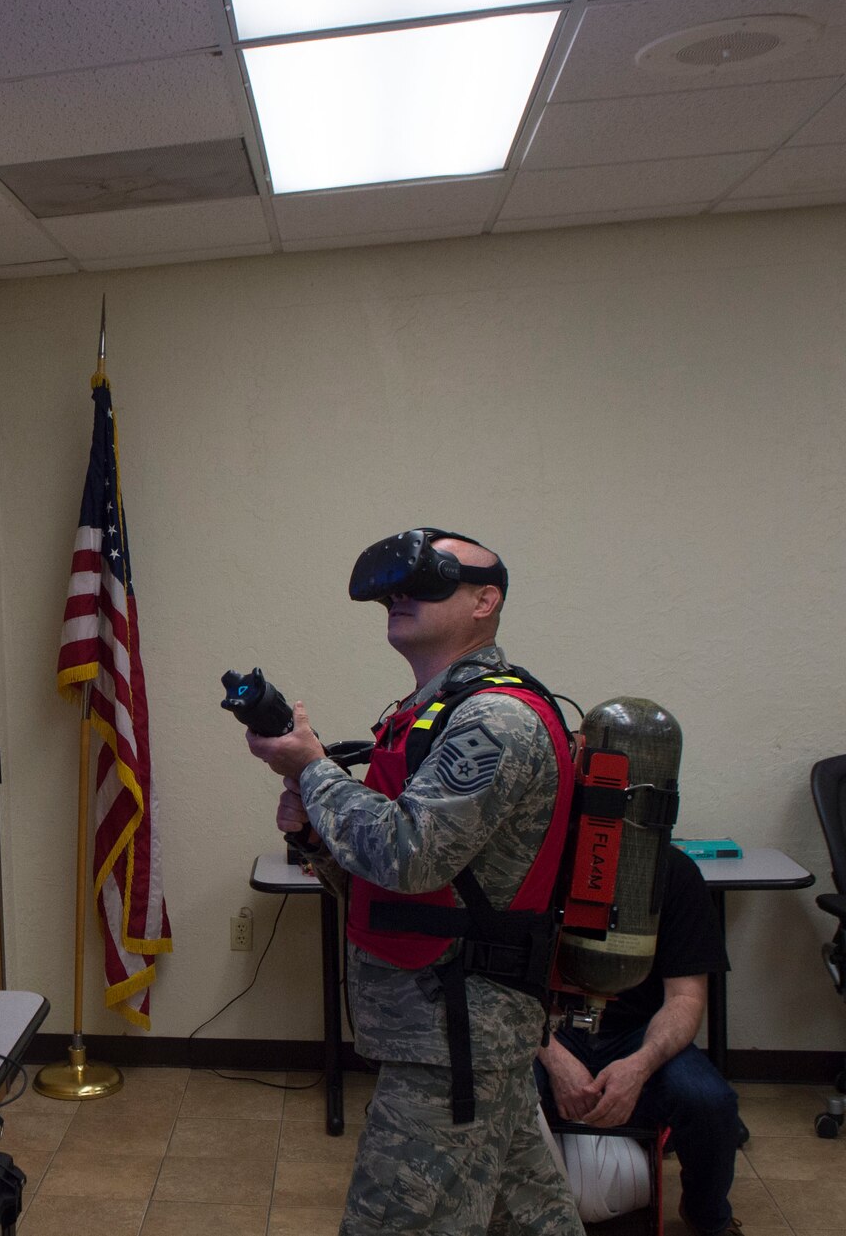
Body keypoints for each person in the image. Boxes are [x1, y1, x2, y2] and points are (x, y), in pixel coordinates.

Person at [246, 528, 581, 1235]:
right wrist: (315, 835)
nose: (400, 598)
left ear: (486, 600)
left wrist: (311, 769)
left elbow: (408, 853)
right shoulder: (431, 713)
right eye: (395, 589)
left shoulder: (493, 720)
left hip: (454, 1036)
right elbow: (397, 892)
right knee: (532, 1221)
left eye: (430, 584)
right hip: (452, 1031)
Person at [537, 847, 742, 1234]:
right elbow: (496, 993)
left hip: (637, 1035)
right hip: (546, 1029)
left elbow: (685, 998)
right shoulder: (533, 859)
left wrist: (640, 1066)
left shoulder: (673, 873)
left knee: (709, 1103)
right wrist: (552, 1054)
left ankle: (707, 1216)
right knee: (489, 1086)